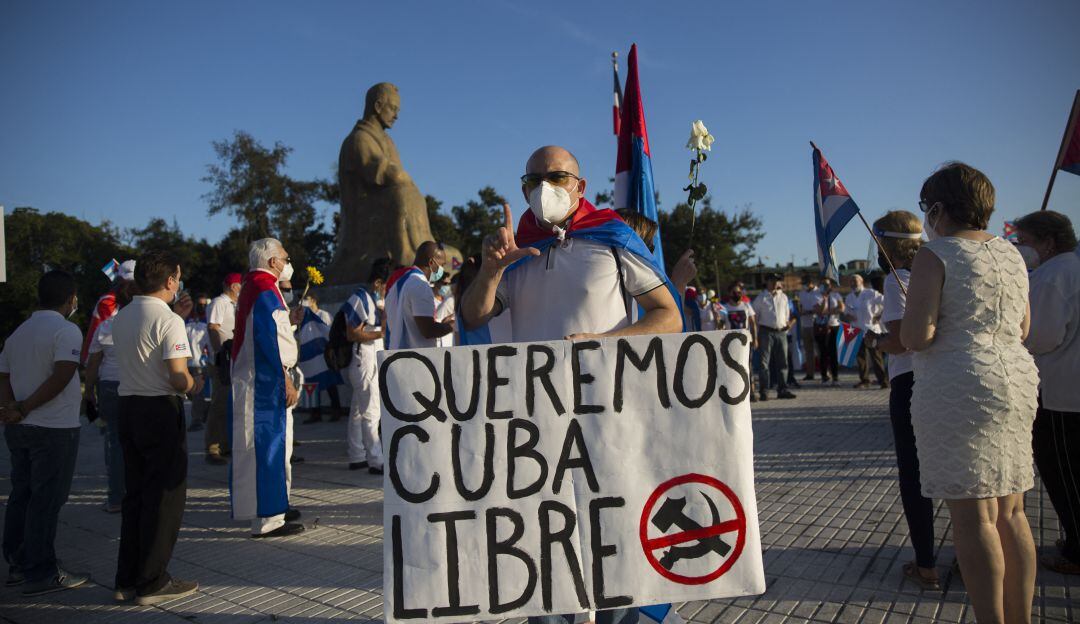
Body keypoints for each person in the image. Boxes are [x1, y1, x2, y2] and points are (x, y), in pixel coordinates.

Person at [460, 145, 681, 624]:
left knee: (615, 524)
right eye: (533, 179)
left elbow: (668, 317)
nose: (544, 187)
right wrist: (491, 269)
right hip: (534, 421)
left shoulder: (613, 237)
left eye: (557, 176)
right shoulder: (515, 251)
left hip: (608, 411)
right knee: (545, 533)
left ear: (580, 186)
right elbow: (473, 315)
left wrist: (603, 343)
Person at [900, 162, 1038, 624]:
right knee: (1012, 511)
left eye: (927, 209)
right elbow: (1023, 327)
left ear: (938, 207)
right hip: (1015, 379)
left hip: (962, 383)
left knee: (974, 517)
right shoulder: (1012, 255)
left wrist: (912, 312)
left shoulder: (936, 254)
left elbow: (918, 335)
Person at [111, 251, 199, 605]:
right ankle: (153, 581)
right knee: (165, 499)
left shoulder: (122, 315)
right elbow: (178, 377)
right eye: (178, 276)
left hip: (128, 406)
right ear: (170, 281)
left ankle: (126, 579)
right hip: (159, 409)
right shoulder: (169, 319)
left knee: (135, 496)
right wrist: (194, 384)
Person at [862, 210, 939, 589]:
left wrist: (875, 341)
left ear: (886, 244)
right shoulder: (937, 270)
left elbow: (902, 339)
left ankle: (926, 563)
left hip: (910, 382)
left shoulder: (897, 279)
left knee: (914, 473)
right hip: (946, 380)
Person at [0, 270, 89, 596]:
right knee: (45, 501)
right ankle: (41, 571)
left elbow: (3, 375)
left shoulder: (18, 332)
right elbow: (63, 376)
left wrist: (11, 407)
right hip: (54, 429)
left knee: (22, 496)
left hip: (21, 428)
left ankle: (17, 564)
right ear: (70, 298)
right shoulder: (66, 331)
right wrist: (22, 407)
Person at [1015, 210, 1080, 575]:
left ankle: (1076, 549)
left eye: (1024, 242)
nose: (1019, 249)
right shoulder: (1071, 268)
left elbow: (1042, 336)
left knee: (1065, 473)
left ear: (1048, 242)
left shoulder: (1054, 275)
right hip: (1069, 387)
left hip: (1060, 392)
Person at [230, 239, 305, 539]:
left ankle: (276, 507)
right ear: (273, 261)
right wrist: (284, 379)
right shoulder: (263, 289)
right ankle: (268, 518)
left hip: (261, 377)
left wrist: (291, 322)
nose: (288, 262)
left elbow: (273, 331)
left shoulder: (258, 287)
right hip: (263, 381)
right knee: (268, 449)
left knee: (273, 448)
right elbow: (269, 341)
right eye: (286, 257)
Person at [84, 279, 135, 513]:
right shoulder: (145, 324)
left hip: (109, 386)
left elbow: (94, 363)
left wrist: (90, 391)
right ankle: (138, 496)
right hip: (137, 386)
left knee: (115, 442)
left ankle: (116, 498)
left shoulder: (106, 326)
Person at [343, 259, 390, 474]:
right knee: (371, 410)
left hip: (371, 355)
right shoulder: (360, 299)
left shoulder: (375, 300)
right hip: (365, 357)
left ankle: (357, 454)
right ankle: (376, 459)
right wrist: (379, 333)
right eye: (386, 285)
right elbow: (352, 333)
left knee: (358, 410)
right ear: (378, 282)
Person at [384, 241, 455, 350]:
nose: (442, 270)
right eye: (442, 265)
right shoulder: (420, 284)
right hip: (414, 359)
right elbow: (428, 330)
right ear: (431, 262)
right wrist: (453, 325)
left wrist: (441, 324)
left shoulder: (401, 280)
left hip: (397, 353)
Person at [205, 272, 242, 464]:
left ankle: (226, 444)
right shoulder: (219, 302)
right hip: (222, 360)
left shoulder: (233, 304)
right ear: (234, 286)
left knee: (229, 403)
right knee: (219, 404)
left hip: (231, 359)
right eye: (240, 285)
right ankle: (213, 448)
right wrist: (220, 354)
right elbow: (213, 327)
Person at [297, 293, 345, 424]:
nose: (304, 302)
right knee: (311, 385)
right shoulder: (302, 317)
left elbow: (330, 332)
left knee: (330, 384)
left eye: (306, 299)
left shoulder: (324, 315)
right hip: (310, 357)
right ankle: (315, 413)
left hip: (324, 355)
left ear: (313, 300)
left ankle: (336, 410)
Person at [80, 259, 135, 365]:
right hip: (100, 361)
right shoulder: (108, 301)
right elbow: (114, 330)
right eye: (130, 283)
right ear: (120, 281)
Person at [752, 274, 797, 401]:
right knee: (764, 363)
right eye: (772, 280)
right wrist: (755, 334)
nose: (775, 283)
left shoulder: (783, 297)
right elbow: (755, 316)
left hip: (781, 331)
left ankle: (782, 389)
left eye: (776, 281)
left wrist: (787, 324)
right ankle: (764, 391)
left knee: (783, 362)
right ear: (767, 282)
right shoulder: (761, 298)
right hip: (766, 331)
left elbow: (787, 314)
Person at [844, 274, 888, 389]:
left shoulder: (871, 293)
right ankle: (864, 380)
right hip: (856, 330)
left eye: (855, 280)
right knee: (861, 358)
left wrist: (880, 316)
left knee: (876, 357)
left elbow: (886, 302)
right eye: (851, 281)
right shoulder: (849, 297)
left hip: (871, 330)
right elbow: (846, 312)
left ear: (861, 281)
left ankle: (883, 381)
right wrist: (848, 316)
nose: (853, 283)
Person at [722, 281, 758, 401]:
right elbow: (720, 326)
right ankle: (735, 392)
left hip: (745, 342)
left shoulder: (747, 306)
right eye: (735, 292)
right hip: (730, 343)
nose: (737, 294)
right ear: (729, 293)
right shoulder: (724, 308)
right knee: (731, 368)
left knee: (748, 367)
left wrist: (755, 338)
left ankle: (752, 392)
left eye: (739, 292)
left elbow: (753, 323)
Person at [184, 295, 211, 432]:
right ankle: (206, 410)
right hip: (187, 363)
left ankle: (197, 419)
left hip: (201, 364)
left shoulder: (206, 326)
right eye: (199, 304)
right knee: (190, 393)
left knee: (198, 393)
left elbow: (209, 345)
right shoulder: (187, 324)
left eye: (204, 304)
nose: (202, 307)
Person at [814, 277, 844, 385]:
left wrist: (829, 311)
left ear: (830, 285)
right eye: (823, 284)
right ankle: (824, 377)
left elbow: (841, 308)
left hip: (833, 325)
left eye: (827, 284)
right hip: (821, 326)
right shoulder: (817, 295)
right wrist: (825, 300)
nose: (825, 287)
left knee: (833, 353)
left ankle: (835, 377)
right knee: (823, 352)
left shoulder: (836, 295)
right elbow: (820, 311)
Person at [796, 276, 821, 381]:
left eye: (806, 283)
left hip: (816, 324)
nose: (804, 285)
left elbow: (819, 308)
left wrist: (809, 312)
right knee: (808, 351)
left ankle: (825, 373)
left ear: (811, 283)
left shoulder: (818, 292)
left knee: (820, 350)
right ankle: (810, 373)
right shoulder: (802, 293)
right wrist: (801, 311)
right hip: (805, 325)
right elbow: (800, 307)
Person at [433, 271, 455, 348]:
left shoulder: (448, 298)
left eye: (449, 284)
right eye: (445, 284)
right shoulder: (429, 300)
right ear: (436, 283)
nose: (447, 286)